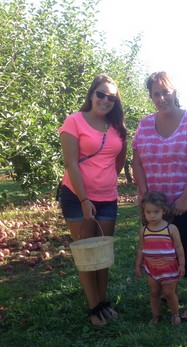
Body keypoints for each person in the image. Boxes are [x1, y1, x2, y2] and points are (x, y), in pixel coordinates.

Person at [132, 71, 187, 320]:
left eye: (165, 92)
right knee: (163, 250)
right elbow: (136, 162)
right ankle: (171, 296)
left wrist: (183, 198)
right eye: (155, 93)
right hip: (158, 207)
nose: (161, 98)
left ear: (175, 91)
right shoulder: (145, 124)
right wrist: (144, 194)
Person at [59, 74, 127, 326]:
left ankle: (103, 301)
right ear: (91, 94)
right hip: (77, 197)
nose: (105, 100)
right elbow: (71, 163)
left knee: (102, 251)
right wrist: (85, 198)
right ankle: (92, 307)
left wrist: (105, 180)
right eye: (101, 94)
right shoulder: (74, 121)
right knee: (87, 252)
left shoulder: (117, 126)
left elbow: (119, 160)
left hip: (108, 197)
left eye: (111, 97)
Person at [136, 191, 185, 325]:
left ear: (163, 211)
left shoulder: (171, 229)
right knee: (154, 292)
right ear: (144, 213)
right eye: (148, 212)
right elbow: (141, 248)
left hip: (169, 268)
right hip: (151, 268)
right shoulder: (144, 231)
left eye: (156, 211)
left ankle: (175, 314)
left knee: (169, 293)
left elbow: (179, 248)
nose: (152, 215)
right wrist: (138, 264)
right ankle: (155, 316)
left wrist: (182, 264)